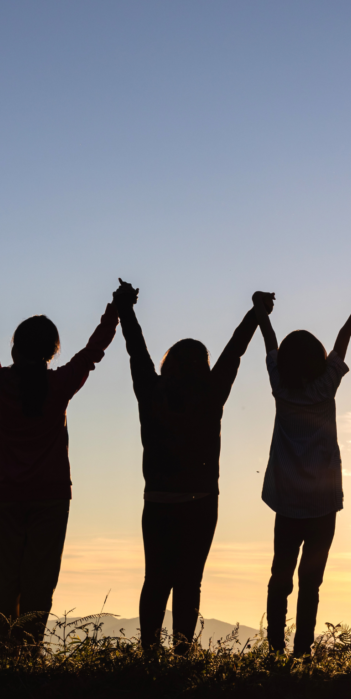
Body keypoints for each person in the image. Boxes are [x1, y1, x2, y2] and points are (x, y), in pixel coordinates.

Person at [115, 279, 265, 655]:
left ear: (169, 364)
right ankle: (182, 654)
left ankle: (149, 653)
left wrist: (126, 309)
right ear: (203, 367)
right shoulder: (211, 393)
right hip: (200, 501)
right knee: (188, 582)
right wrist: (256, 313)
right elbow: (234, 353)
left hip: (159, 501)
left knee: (156, 581)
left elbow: (136, 351)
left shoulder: (151, 391)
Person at [0, 294, 119, 655]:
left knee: (8, 578)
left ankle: (3, 653)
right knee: (40, 581)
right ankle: (29, 651)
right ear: (51, 351)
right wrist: (113, 313)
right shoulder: (59, 385)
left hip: (8, 494)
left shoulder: (0, 384)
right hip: (51, 495)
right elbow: (92, 352)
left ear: (15, 349)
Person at [255, 288, 351, 658]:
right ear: (318, 362)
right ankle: (302, 651)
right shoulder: (325, 387)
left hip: (287, 504)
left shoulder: (280, 387)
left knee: (280, 577)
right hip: (322, 505)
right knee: (310, 583)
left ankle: (274, 649)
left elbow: (269, 343)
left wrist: (260, 313)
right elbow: (343, 341)